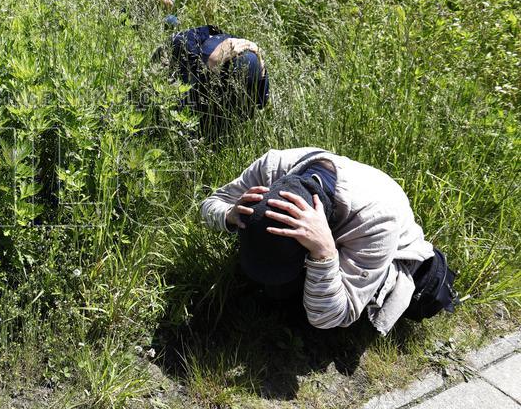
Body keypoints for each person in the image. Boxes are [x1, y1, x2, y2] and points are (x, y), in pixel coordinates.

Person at [201, 147, 457, 335]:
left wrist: (324, 251)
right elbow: (209, 204)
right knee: (275, 289)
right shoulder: (273, 167)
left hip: (385, 254)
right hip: (340, 229)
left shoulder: (376, 221)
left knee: (297, 305)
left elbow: (333, 315)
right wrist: (229, 214)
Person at [162, 25, 270, 133]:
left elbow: (261, 102)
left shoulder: (248, 58)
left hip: (223, 55)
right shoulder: (185, 46)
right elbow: (177, 107)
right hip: (199, 56)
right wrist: (210, 65)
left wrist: (261, 65)